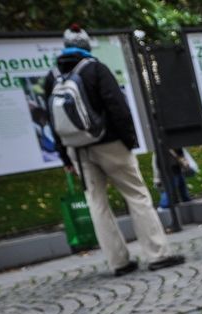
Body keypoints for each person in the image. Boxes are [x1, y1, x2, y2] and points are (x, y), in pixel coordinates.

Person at [44, 24, 184, 276]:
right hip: (110, 144)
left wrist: (66, 157)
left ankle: (118, 261)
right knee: (136, 195)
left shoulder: (52, 77)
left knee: (97, 203)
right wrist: (128, 141)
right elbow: (117, 107)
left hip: (77, 149)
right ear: (86, 46)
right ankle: (157, 254)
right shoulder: (95, 69)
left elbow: (52, 121)